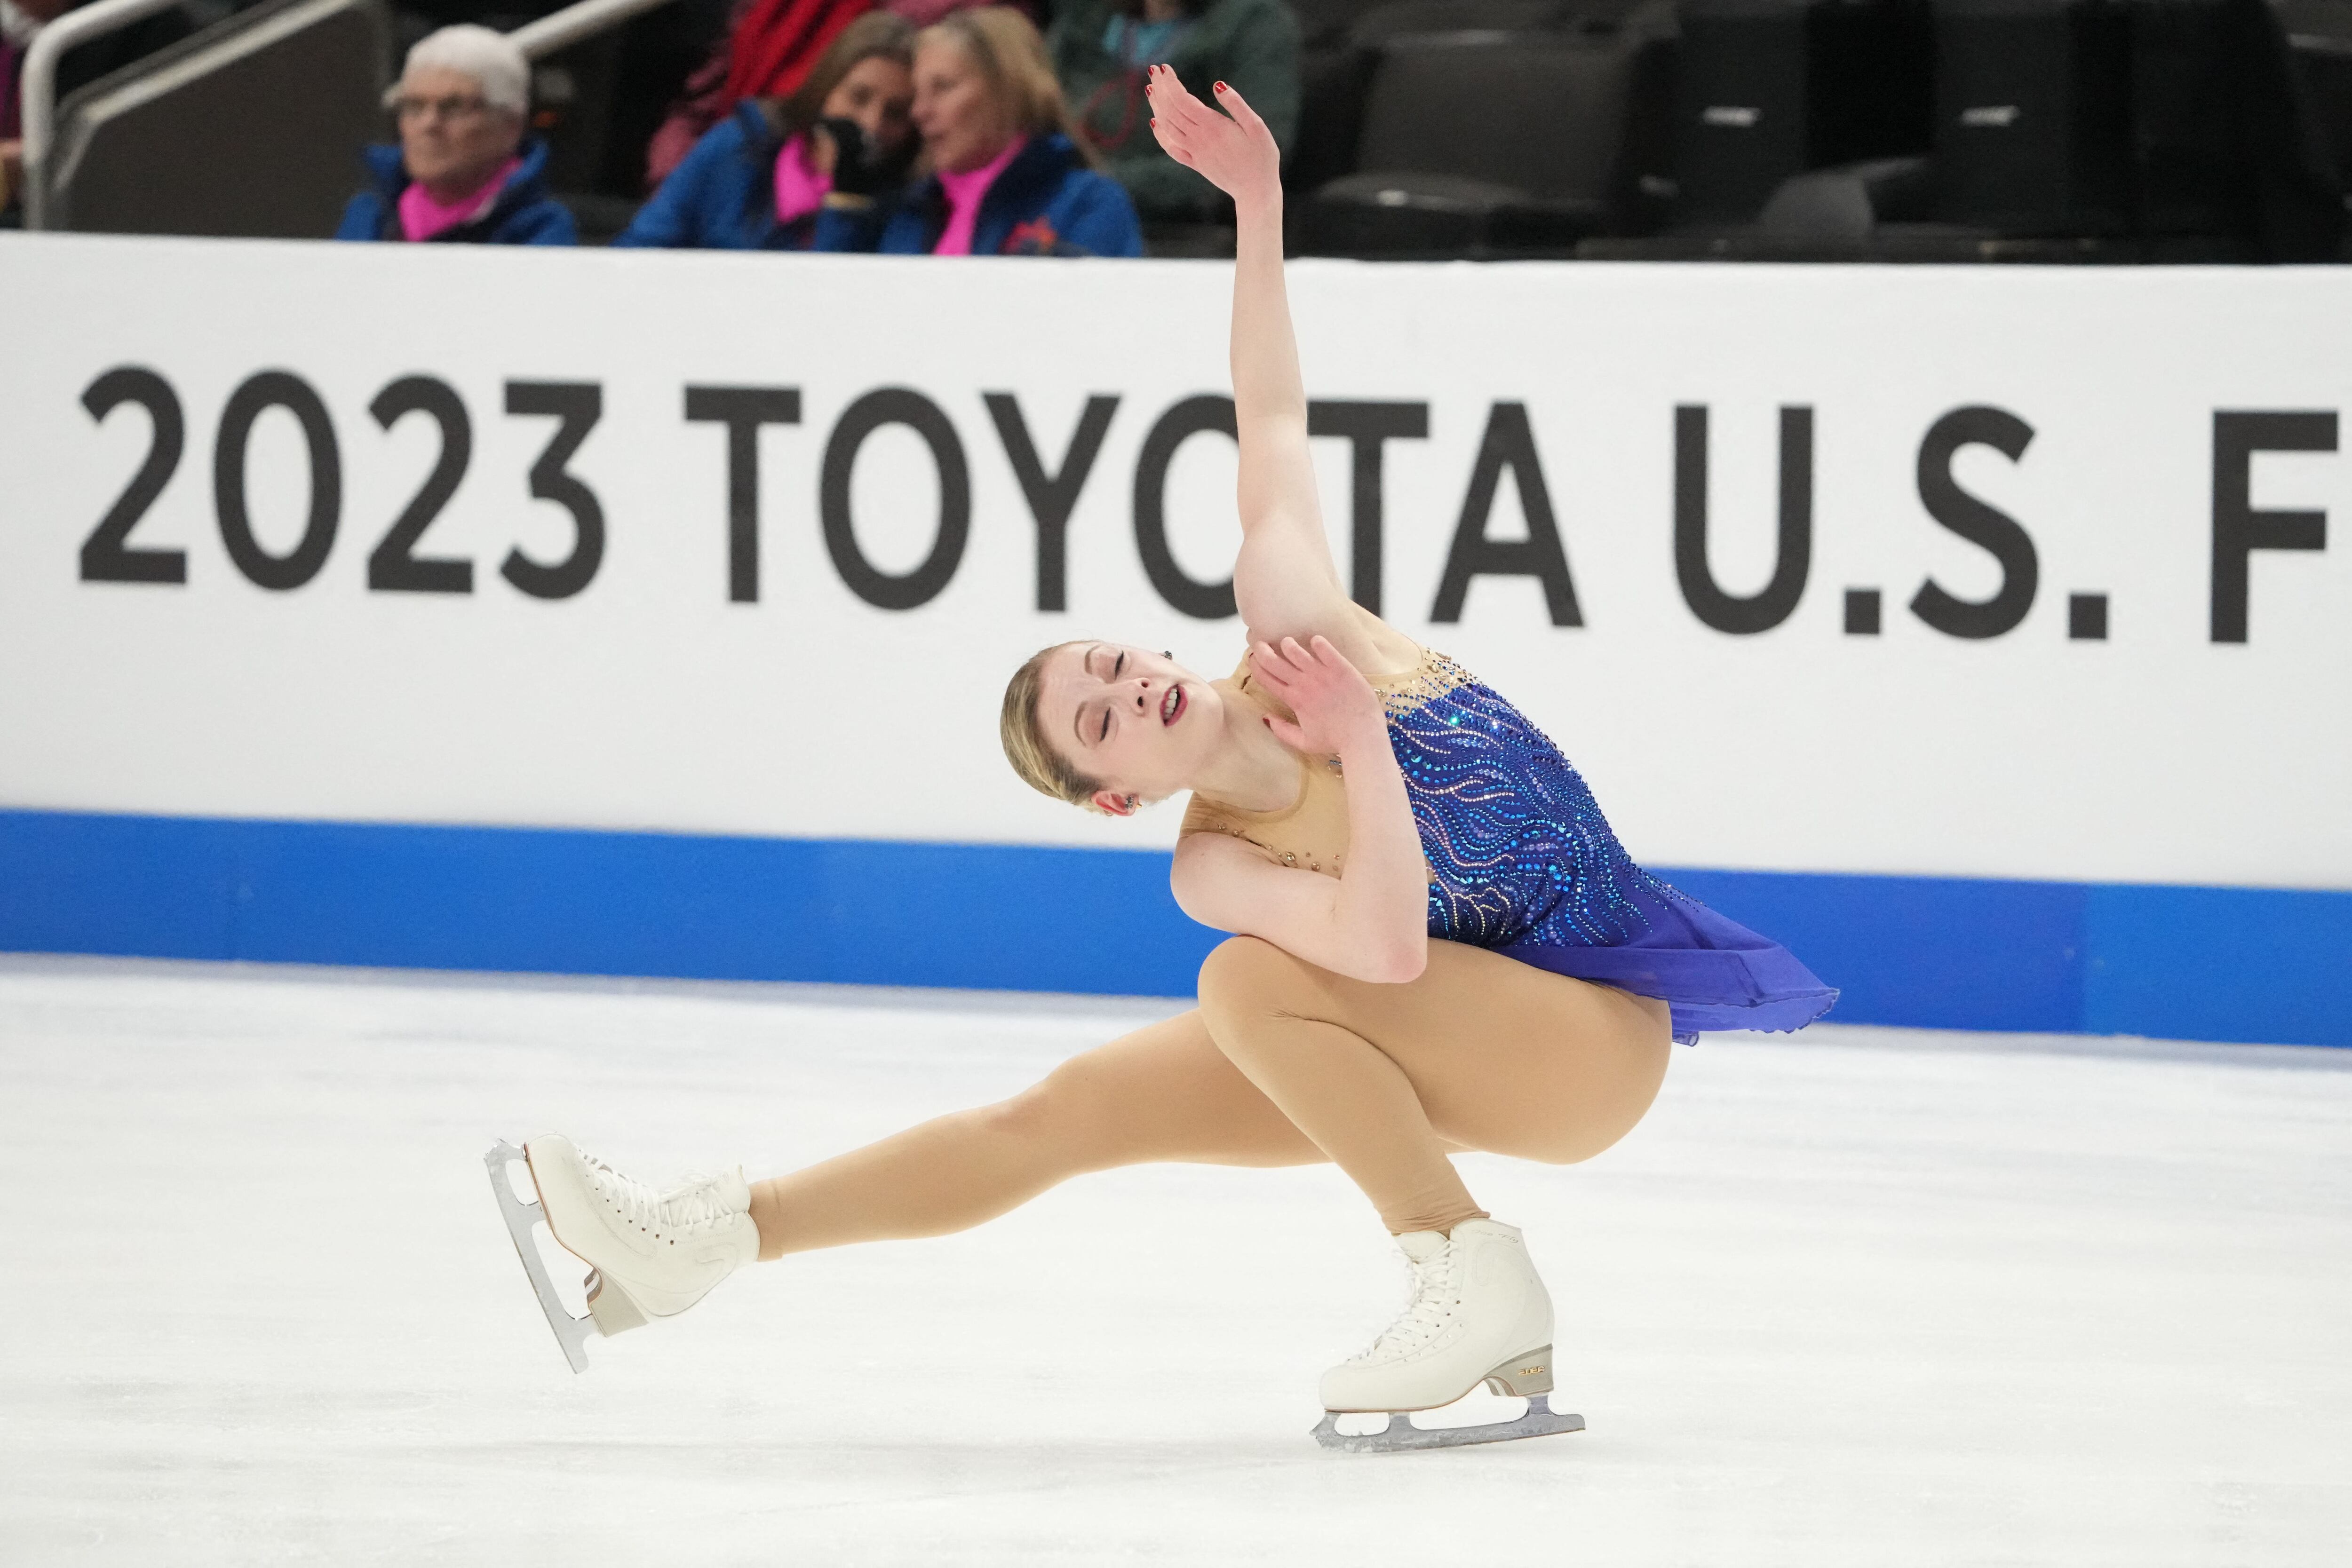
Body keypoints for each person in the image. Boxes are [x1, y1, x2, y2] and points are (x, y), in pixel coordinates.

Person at [492, 74, 1834, 1449]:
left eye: (1112, 662)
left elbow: (1266, 422)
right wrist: (1360, 751)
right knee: (1060, 1112)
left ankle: (1465, 1266)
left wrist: (1255, 208)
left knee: (1249, 983)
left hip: (1591, 1040)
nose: (1125, 683)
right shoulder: (1214, 861)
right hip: (1447, 1023)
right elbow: (1375, 951)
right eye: (1097, 720)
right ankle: (706, 1239)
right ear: (1118, 793)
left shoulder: (1300, 629)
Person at [810, 6, 1141, 257]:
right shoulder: (910, 209)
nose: (919, 112)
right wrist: (848, 206)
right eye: (918, 94)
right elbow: (834, 318)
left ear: (1008, 91)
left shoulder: (1088, 202)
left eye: (942, 88)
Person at [616, 11, 915, 250]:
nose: (872, 124)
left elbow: (829, 299)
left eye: (896, 113)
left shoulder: (905, 203)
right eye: (858, 97)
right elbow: (643, 247)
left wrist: (848, 203)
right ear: (825, 89)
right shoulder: (738, 144)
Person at [1049, 0, 1298, 223]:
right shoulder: (1085, 17)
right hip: (1056, 213)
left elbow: (1252, 160)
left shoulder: (1251, 21)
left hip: (1174, 231)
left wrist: (1100, 184)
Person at [335, 25, 575, 245]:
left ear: (511, 125)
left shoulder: (540, 229)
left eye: (454, 107)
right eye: (414, 106)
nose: (429, 124)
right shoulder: (368, 213)